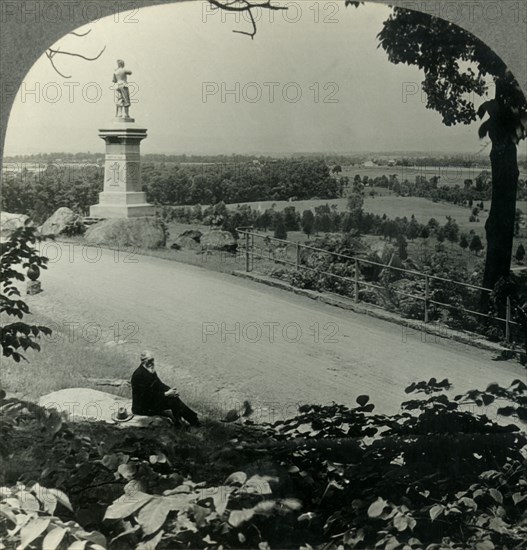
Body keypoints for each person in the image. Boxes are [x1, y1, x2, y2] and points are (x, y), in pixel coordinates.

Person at [131, 351, 201, 427]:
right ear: (143, 361)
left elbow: (159, 385)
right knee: (173, 401)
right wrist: (166, 394)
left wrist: (170, 390)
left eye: (153, 360)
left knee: (174, 397)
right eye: (149, 360)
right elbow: (146, 396)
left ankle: (182, 421)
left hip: (150, 402)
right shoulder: (138, 375)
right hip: (142, 407)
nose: (152, 363)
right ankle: (192, 421)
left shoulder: (150, 370)